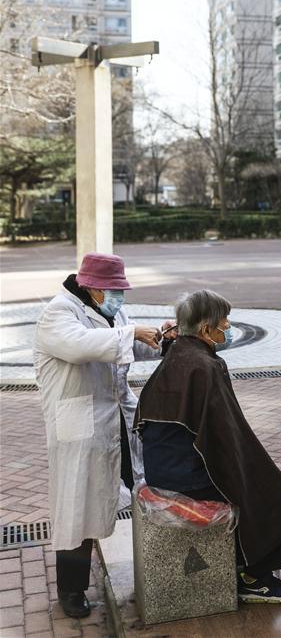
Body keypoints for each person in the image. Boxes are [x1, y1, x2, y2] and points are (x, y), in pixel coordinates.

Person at [135, 288, 281, 603]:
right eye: (224, 322)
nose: (227, 327)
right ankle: (254, 577)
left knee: (259, 479)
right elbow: (227, 438)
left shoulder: (178, 353)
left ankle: (247, 562)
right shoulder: (205, 366)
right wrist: (252, 471)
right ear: (204, 328)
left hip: (165, 465)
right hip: (186, 472)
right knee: (273, 492)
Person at [34, 253, 172, 619]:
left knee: (142, 485)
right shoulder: (58, 312)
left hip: (117, 421)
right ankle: (72, 588)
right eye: (115, 290)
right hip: (80, 427)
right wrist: (128, 333)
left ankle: (157, 562)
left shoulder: (113, 314)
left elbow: (127, 346)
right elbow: (80, 346)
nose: (120, 298)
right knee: (77, 506)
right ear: (92, 286)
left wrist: (159, 337)